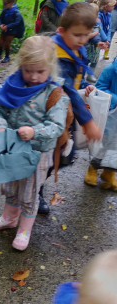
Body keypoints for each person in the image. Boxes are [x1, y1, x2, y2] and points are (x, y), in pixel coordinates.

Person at [0, 36, 67, 251]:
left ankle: (25, 229)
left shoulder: (54, 93)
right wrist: (0, 125)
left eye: (40, 71)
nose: (33, 77)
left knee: (30, 192)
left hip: (37, 152)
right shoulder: (13, 84)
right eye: (28, 70)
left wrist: (35, 131)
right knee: (11, 185)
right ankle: (9, 217)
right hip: (12, 148)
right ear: (20, 65)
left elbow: (57, 125)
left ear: (50, 68)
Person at [38, 2, 102, 215]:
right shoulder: (56, 54)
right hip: (49, 113)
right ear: (61, 30)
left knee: (65, 154)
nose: (83, 40)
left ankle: (36, 183)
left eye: (86, 35)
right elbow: (66, 88)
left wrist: (84, 84)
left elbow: (74, 82)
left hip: (65, 112)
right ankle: (34, 190)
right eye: (77, 35)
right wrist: (88, 121)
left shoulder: (75, 47)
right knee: (55, 153)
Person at [84, 58, 117, 190]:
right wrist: (115, 99)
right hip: (109, 116)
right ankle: (92, 170)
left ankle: (109, 173)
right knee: (103, 143)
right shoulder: (110, 70)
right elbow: (100, 88)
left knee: (115, 148)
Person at [85, 2, 110, 82]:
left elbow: (97, 35)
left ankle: (90, 75)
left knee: (94, 62)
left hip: (95, 49)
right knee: (84, 62)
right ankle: (81, 77)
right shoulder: (84, 25)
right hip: (86, 49)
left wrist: (100, 41)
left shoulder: (96, 25)